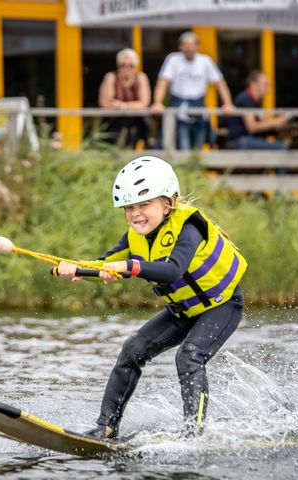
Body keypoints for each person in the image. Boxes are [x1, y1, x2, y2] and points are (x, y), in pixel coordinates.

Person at [57, 156, 247, 439]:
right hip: (183, 310)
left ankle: (193, 433)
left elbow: (172, 271)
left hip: (222, 305)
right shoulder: (134, 237)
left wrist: (127, 267)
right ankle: (105, 428)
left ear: (167, 202)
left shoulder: (189, 227)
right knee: (133, 348)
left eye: (144, 205)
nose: (136, 214)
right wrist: (77, 269)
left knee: (190, 355)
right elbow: (105, 262)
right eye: (129, 207)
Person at [151, 32, 234, 151]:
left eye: (192, 44)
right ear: (180, 47)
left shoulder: (205, 61)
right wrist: (158, 102)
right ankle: (186, 168)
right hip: (179, 107)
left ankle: (194, 168)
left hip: (199, 106)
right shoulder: (173, 59)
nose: (189, 48)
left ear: (197, 47)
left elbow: (220, 84)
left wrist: (228, 103)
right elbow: (162, 82)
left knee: (198, 146)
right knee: (183, 145)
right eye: (185, 45)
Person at [98, 48, 152, 148]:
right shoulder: (111, 77)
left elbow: (144, 103)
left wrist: (123, 106)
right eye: (123, 65)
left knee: (135, 142)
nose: (126, 68)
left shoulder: (141, 77)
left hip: (136, 122)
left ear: (135, 66)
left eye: (130, 65)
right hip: (113, 121)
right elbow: (105, 103)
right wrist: (133, 105)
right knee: (110, 145)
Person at [227, 70, 289, 150]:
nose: (269, 89)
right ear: (253, 84)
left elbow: (262, 121)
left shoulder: (254, 101)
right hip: (240, 141)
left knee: (280, 146)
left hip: (246, 140)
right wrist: (276, 122)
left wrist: (277, 122)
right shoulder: (246, 99)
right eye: (265, 85)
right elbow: (252, 127)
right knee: (281, 148)